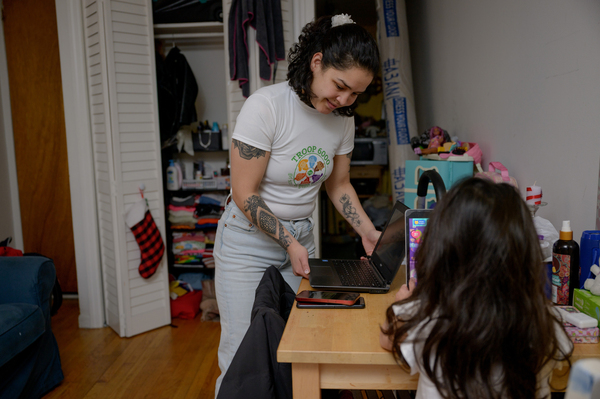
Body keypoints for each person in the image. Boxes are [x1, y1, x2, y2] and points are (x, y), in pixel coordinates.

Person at [213, 14, 381, 395]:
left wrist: (368, 233)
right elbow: (245, 192)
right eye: (340, 87)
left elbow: (338, 186)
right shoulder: (267, 107)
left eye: (356, 94)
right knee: (243, 354)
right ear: (317, 62)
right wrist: (288, 240)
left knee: (294, 348)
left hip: (300, 242)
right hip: (247, 244)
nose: (344, 100)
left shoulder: (343, 120)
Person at [380, 178, 573, 399]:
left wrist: (402, 302)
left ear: (440, 250)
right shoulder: (543, 321)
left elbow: (386, 338)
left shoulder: (426, 315)